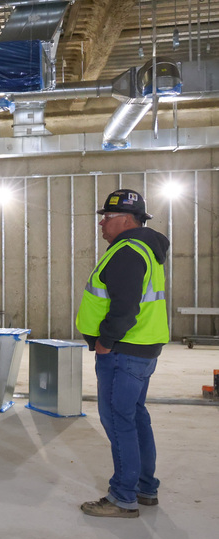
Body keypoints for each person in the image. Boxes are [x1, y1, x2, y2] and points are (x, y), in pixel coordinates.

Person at [75, 189, 170, 518]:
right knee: (135, 417)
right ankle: (145, 487)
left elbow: (125, 306)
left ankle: (122, 497)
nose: (102, 223)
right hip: (142, 348)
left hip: (123, 351)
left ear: (127, 220)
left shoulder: (128, 251)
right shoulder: (144, 248)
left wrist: (106, 340)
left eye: (108, 217)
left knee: (119, 422)